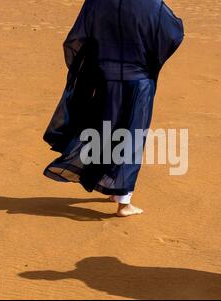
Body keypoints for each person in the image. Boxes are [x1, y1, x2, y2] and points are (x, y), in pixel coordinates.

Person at [43, 0, 184, 217]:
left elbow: (77, 38)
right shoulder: (152, 5)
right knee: (132, 137)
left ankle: (112, 186)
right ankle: (123, 202)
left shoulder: (96, 2)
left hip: (104, 78)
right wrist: (150, 58)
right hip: (138, 80)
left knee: (106, 130)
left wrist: (93, 65)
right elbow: (174, 33)